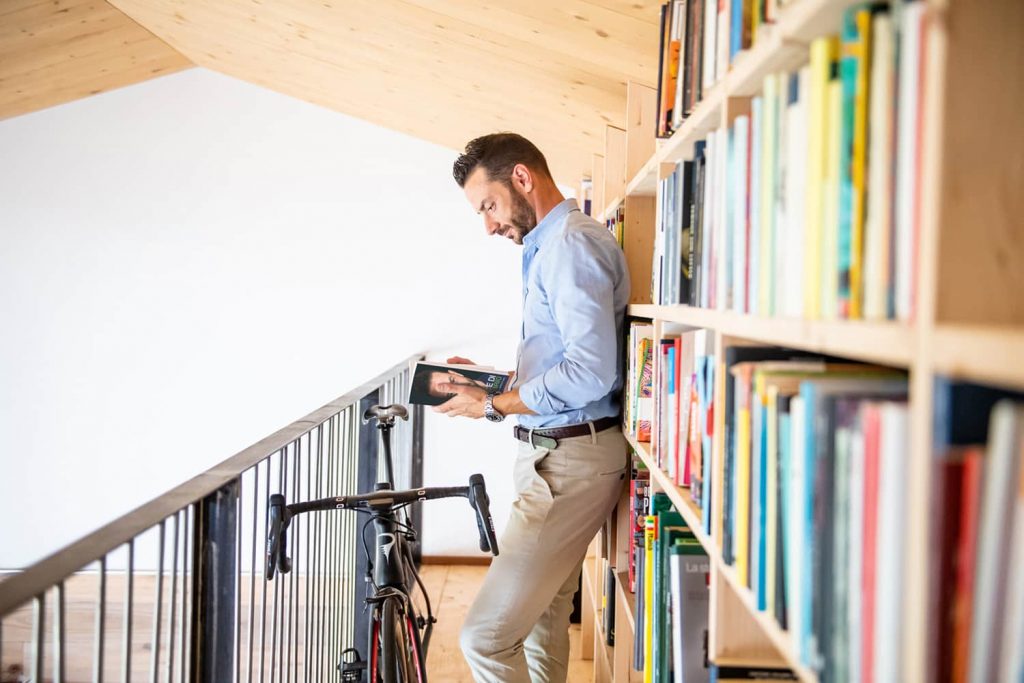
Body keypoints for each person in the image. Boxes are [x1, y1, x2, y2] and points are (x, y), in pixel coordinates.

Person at [439, 132, 630, 683]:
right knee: (545, 618)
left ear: (522, 178)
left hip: (568, 462)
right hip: (556, 453)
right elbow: (567, 359)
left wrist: (495, 404)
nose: (489, 225)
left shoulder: (570, 244)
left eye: (489, 206)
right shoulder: (549, 246)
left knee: (485, 640)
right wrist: (494, 381)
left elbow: (591, 373)